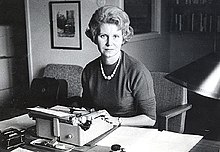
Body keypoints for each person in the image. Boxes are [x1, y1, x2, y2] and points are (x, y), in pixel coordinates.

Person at [82, 5, 156, 127]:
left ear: (123, 38)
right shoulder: (89, 70)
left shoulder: (137, 71)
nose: (109, 43)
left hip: (129, 132)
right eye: (103, 36)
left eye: (115, 36)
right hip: (98, 130)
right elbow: (88, 107)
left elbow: (150, 119)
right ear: (95, 37)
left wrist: (117, 121)